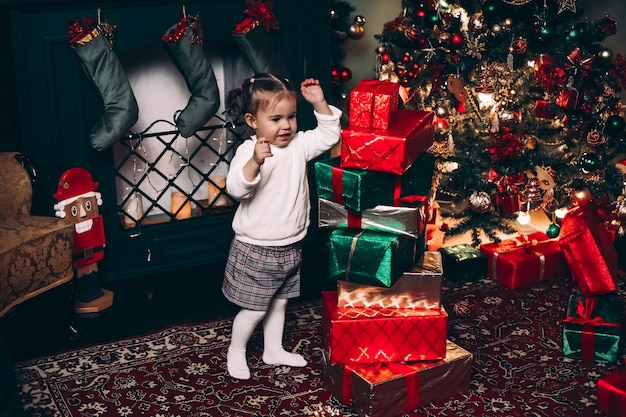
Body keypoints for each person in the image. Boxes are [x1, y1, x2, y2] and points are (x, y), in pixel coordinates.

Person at [222, 73, 341, 380]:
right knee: (256, 307)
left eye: (290, 117)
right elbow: (236, 189)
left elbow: (329, 137)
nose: (286, 126)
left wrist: (319, 103)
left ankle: (272, 349)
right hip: (257, 246)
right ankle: (236, 350)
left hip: (290, 244)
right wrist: (255, 164)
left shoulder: (299, 146)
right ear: (252, 120)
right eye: (275, 119)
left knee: (280, 302)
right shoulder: (249, 153)